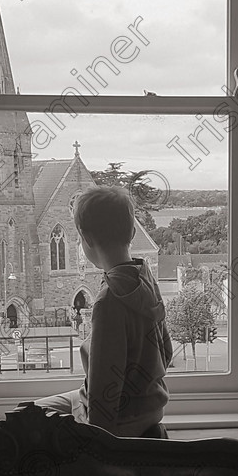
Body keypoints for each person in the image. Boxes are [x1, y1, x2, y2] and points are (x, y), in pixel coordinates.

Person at [36, 186, 172, 438]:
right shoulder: (147, 280)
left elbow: (103, 391)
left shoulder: (108, 302)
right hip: (151, 408)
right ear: (132, 232)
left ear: (85, 241)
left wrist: (99, 448)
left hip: (119, 421)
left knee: (28, 415)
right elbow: (167, 351)